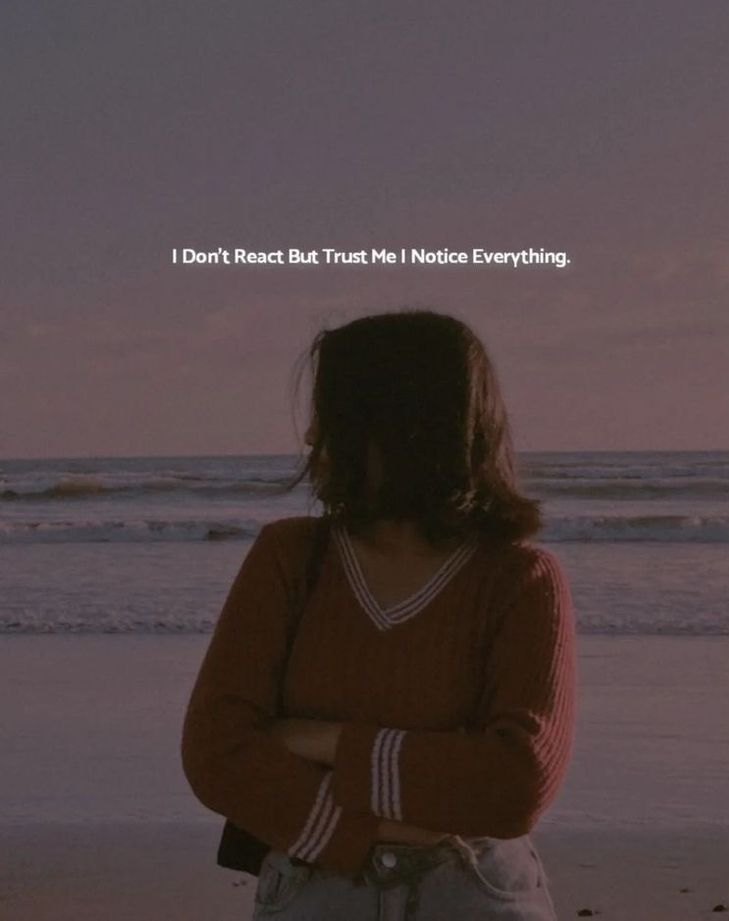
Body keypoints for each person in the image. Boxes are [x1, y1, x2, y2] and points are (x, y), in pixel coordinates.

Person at [181, 309, 577, 920]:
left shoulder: (520, 578)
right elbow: (216, 753)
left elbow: (517, 781)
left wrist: (324, 740)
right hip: (314, 889)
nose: (313, 436)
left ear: (399, 423)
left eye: (331, 412)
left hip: (474, 894)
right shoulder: (290, 558)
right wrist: (369, 833)